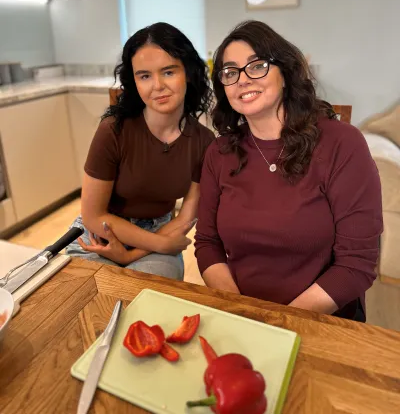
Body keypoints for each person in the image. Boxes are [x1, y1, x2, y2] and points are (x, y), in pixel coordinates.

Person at [195, 20, 382, 320]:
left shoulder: (342, 144)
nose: (242, 79)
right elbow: (207, 244)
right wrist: (240, 312)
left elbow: (357, 264)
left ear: (286, 72)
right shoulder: (219, 153)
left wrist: (276, 322)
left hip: (322, 319)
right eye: (230, 72)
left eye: (256, 66)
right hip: (243, 314)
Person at [67, 22, 214, 280]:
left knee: (148, 305)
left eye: (168, 72)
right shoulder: (113, 130)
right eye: (144, 76)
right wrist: (161, 246)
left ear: (188, 73)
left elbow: (186, 218)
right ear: (134, 81)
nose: (157, 86)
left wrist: (131, 255)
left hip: (160, 231)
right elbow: (92, 215)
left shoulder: (204, 140)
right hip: (101, 232)